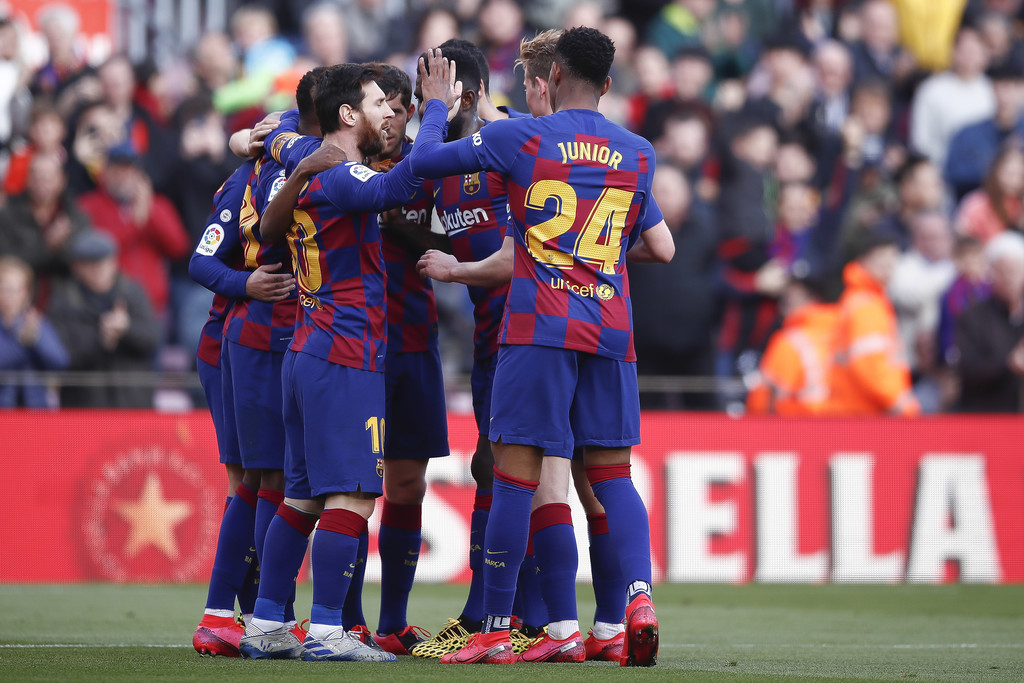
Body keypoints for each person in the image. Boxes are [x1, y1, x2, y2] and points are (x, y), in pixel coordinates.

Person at [414, 29, 674, 667]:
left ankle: (498, 628)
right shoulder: (637, 151)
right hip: (612, 328)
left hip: (539, 327)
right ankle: (633, 603)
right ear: (608, 85)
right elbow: (660, 245)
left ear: (551, 77)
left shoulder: (519, 137)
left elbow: (422, 164)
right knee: (613, 477)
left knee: (514, 479)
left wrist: (435, 109)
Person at [237, 56, 456, 663]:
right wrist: (434, 108)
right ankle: (330, 630)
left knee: (302, 499)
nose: (387, 112)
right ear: (347, 114)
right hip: (345, 354)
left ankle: (265, 624)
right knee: (355, 495)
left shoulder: (302, 163)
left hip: (307, 350)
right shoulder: (339, 173)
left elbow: (278, 140)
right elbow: (400, 186)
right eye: (376, 103)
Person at [76, 144, 190, 320]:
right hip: (106, 307)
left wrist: (150, 210)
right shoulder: (88, 205)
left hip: (156, 307)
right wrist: (136, 223)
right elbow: (100, 249)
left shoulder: (157, 204)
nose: (123, 177)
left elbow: (179, 247)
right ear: (105, 172)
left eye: (128, 170)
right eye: (116, 170)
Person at [48, 230, 159, 408]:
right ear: (77, 268)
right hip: (84, 406)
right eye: (90, 264)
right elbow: (61, 355)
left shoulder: (133, 293)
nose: (98, 270)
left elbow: (152, 339)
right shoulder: (64, 300)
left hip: (133, 403)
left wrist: (126, 329)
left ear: (114, 263)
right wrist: (101, 341)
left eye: (103, 263)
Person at [828, 231, 919, 416]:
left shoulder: (866, 298)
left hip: (858, 407)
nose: (888, 265)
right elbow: (869, 363)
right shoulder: (866, 304)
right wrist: (899, 403)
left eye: (893, 257)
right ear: (864, 260)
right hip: (865, 411)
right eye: (881, 257)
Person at [746, 271, 837, 416]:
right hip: (847, 426)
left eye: (788, 298)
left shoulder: (788, 340)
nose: (782, 305)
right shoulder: (845, 332)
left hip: (797, 427)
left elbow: (762, 398)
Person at [953, 231, 1024, 412]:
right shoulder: (973, 316)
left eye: (1015, 270)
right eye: (1003, 271)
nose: (1010, 278)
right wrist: (1008, 364)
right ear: (991, 274)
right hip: (988, 418)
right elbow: (967, 370)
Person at [0, 256, 68, 408]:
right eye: (4, 289)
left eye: (15, 290)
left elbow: (60, 362)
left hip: (35, 411)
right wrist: (22, 343)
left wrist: (37, 339)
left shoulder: (36, 322)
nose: (9, 296)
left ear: (26, 293)